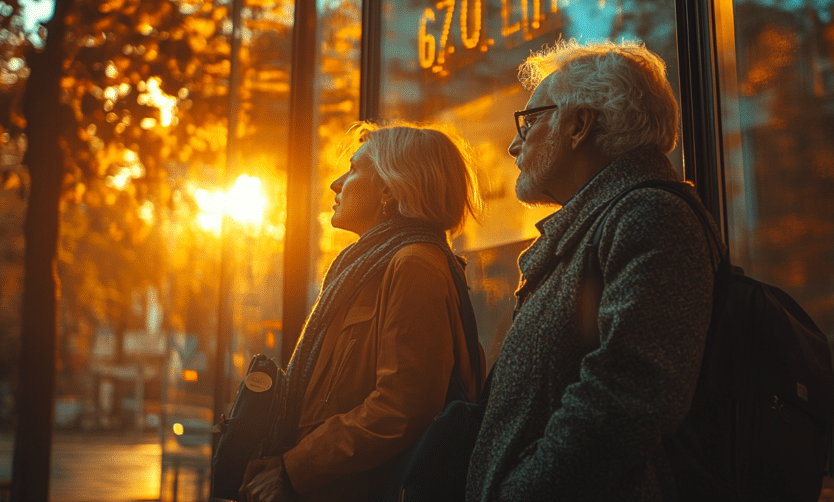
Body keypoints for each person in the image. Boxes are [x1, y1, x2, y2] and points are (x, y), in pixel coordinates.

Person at [466, 39, 722, 501]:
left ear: (579, 124)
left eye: (530, 120)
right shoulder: (600, 225)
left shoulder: (649, 214)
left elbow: (628, 396)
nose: (512, 143)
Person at [240, 124, 485, 502]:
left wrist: (295, 470)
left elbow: (403, 405)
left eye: (354, 169)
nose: (337, 183)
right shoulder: (373, 267)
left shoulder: (414, 265)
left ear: (388, 188)